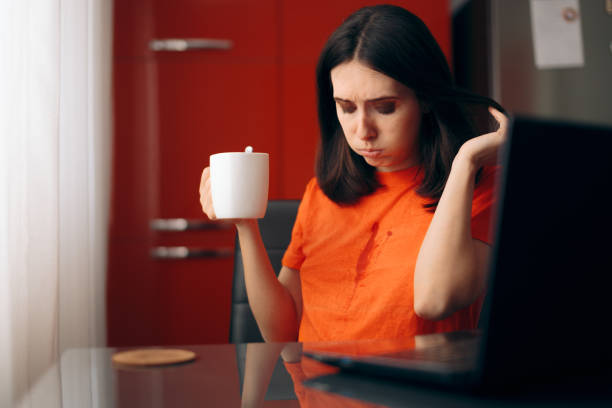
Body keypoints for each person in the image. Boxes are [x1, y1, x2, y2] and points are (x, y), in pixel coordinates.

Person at [199, 4, 507, 343]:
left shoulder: (480, 186)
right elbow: (282, 333)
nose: (362, 131)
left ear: (426, 99)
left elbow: (435, 301)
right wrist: (245, 224)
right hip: (319, 392)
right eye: (346, 107)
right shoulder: (321, 194)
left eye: (385, 107)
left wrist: (465, 161)